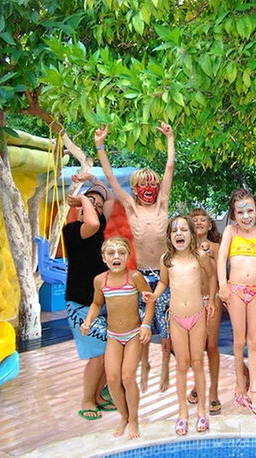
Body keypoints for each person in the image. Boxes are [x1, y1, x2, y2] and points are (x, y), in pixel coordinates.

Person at [95, 121, 175, 392]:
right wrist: (100, 146)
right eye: (143, 185)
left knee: (165, 326)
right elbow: (111, 178)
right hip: (140, 276)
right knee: (139, 326)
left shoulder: (162, 203)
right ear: (135, 189)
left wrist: (170, 138)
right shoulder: (131, 206)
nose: (149, 189)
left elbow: (169, 167)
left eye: (153, 184)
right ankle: (144, 365)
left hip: (163, 275)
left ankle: (165, 368)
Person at [80, 236, 155, 440]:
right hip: (113, 336)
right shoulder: (100, 280)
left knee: (127, 376)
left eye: (121, 253)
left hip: (133, 335)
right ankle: (124, 417)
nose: (116, 257)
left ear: (128, 256)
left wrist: (146, 324)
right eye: (111, 253)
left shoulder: (135, 277)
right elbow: (97, 304)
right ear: (103, 257)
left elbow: (150, 300)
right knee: (113, 379)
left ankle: (134, 420)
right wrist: (88, 321)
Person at [149, 215, 216, 435]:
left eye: (184, 230)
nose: (179, 233)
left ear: (191, 234)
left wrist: (212, 300)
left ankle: (202, 412)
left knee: (197, 362)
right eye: (175, 230)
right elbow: (163, 282)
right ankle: (182, 414)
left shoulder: (200, 256)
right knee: (181, 364)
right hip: (176, 318)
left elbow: (212, 276)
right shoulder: (166, 259)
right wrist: (154, 296)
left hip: (197, 317)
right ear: (169, 236)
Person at [217, 189, 256, 417]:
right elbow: (221, 258)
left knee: (254, 342)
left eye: (250, 210)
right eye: (240, 212)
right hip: (236, 290)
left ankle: (255, 391)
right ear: (234, 214)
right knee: (239, 341)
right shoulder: (231, 231)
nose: (246, 216)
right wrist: (223, 285)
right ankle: (240, 385)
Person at [62, 183, 115, 421]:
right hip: (80, 304)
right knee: (98, 355)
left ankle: (98, 395)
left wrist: (91, 178)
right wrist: (83, 198)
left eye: (98, 206)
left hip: (100, 303)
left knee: (108, 353)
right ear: (80, 208)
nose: (96, 208)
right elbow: (91, 223)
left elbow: (110, 200)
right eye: (90, 204)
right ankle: (87, 399)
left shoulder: (99, 226)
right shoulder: (72, 230)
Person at [189, 208, 223, 416]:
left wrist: (208, 256)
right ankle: (197, 384)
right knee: (196, 348)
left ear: (210, 225)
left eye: (203, 220)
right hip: (192, 302)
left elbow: (219, 274)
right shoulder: (184, 248)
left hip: (211, 299)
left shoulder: (217, 247)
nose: (199, 223)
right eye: (195, 220)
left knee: (211, 346)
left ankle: (214, 391)